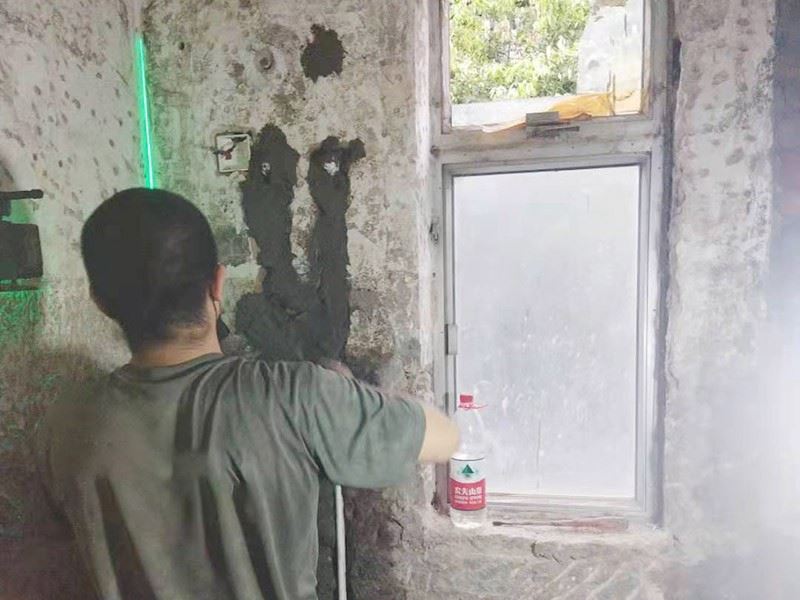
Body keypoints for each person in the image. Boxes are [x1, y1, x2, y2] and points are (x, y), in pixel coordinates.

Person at [36, 188, 459, 600]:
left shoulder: (66, 424)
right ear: (217, 284)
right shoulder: (296, 396)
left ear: (100, 302)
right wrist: (344, 392)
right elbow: (444, 438)